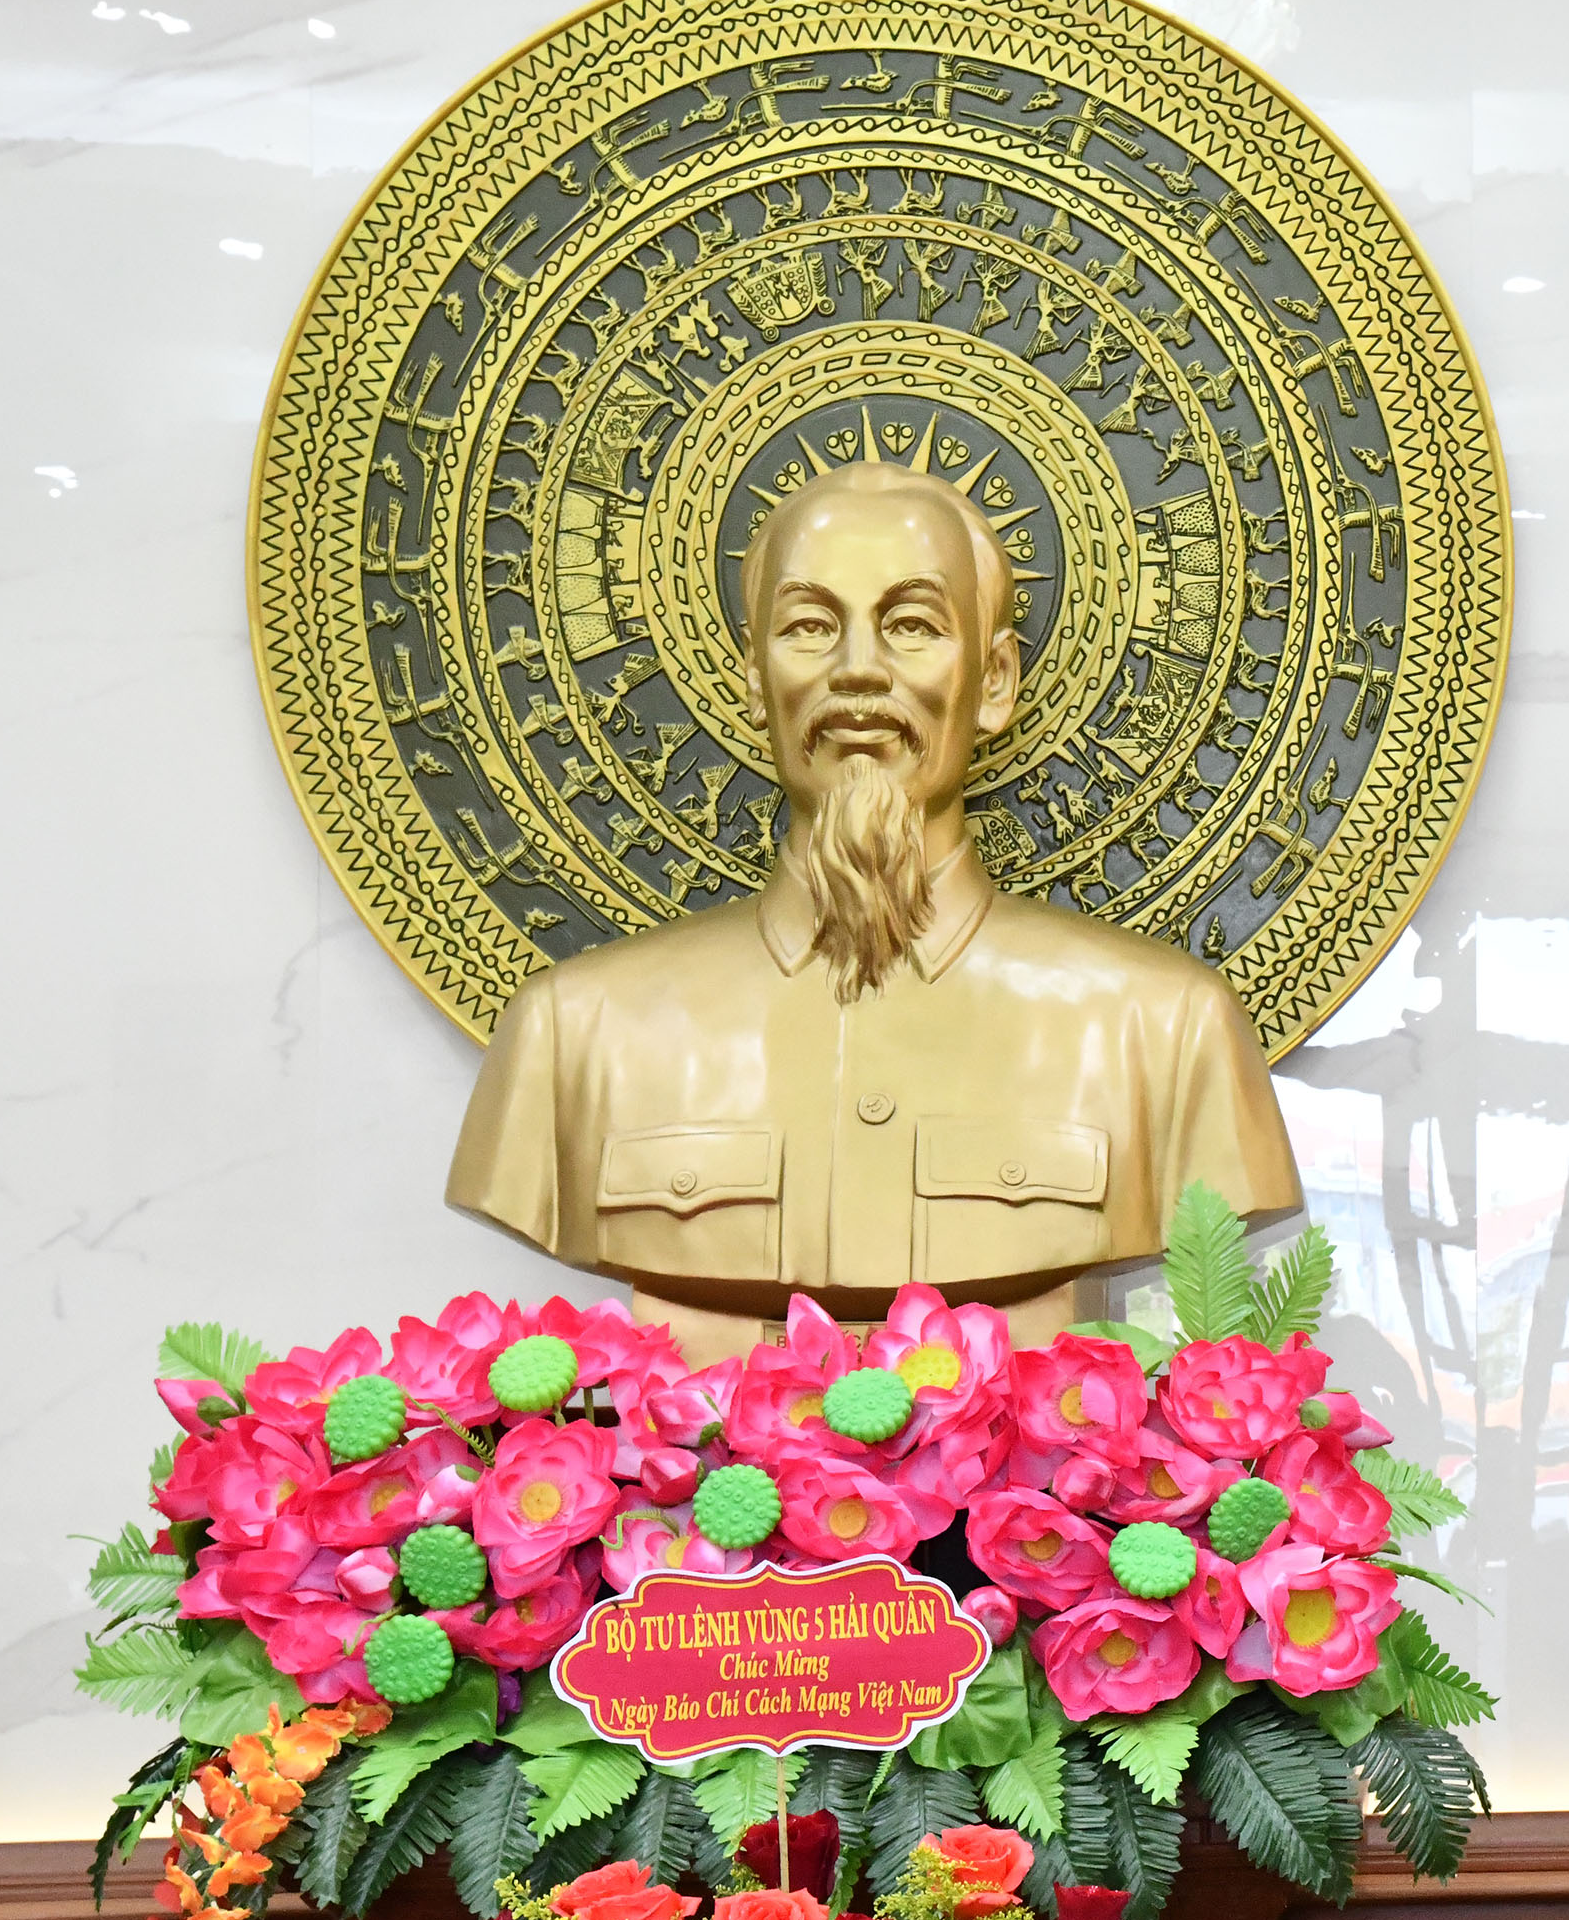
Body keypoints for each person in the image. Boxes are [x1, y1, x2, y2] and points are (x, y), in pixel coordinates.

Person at [448, 460, 1296, 1358]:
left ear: (995, 679)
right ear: (754, 680)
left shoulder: (1164, 1032)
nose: (858, 670)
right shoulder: (576, 1036)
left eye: (912, 626)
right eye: (810, 627)